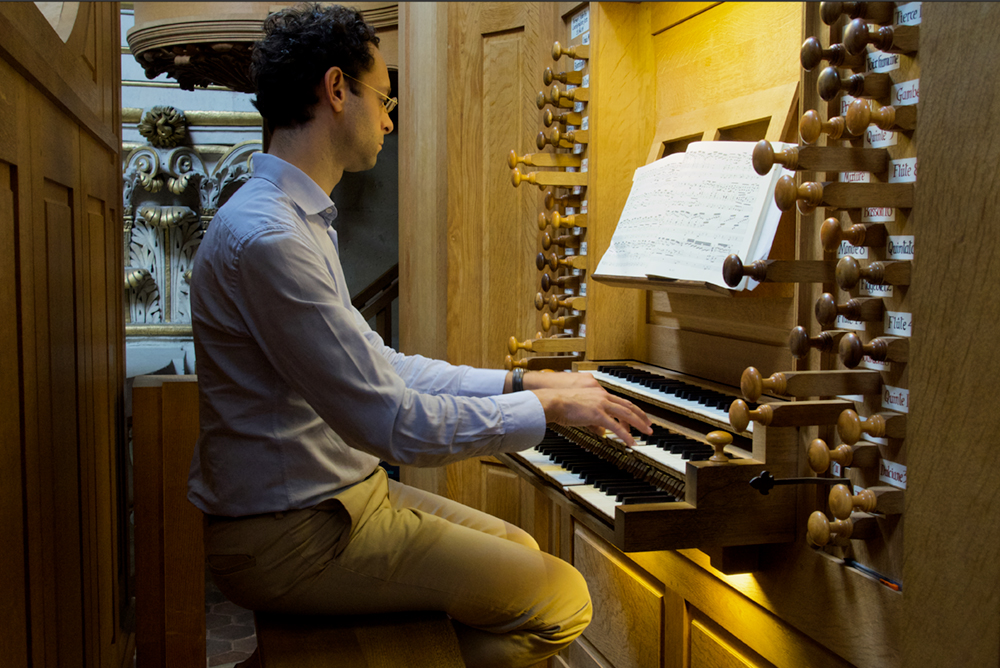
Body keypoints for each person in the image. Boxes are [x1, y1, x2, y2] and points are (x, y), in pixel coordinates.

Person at [186, 4, 652, 667]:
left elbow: (380, 364)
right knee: (565, 600)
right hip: (292, 535)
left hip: (337, 501)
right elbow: (390, 423)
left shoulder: (292, 218)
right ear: (336, 89)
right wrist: (546, 409)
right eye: (384, 97)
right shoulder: (270, 238)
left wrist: (524, 380)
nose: (388, 118)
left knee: (520, 558)